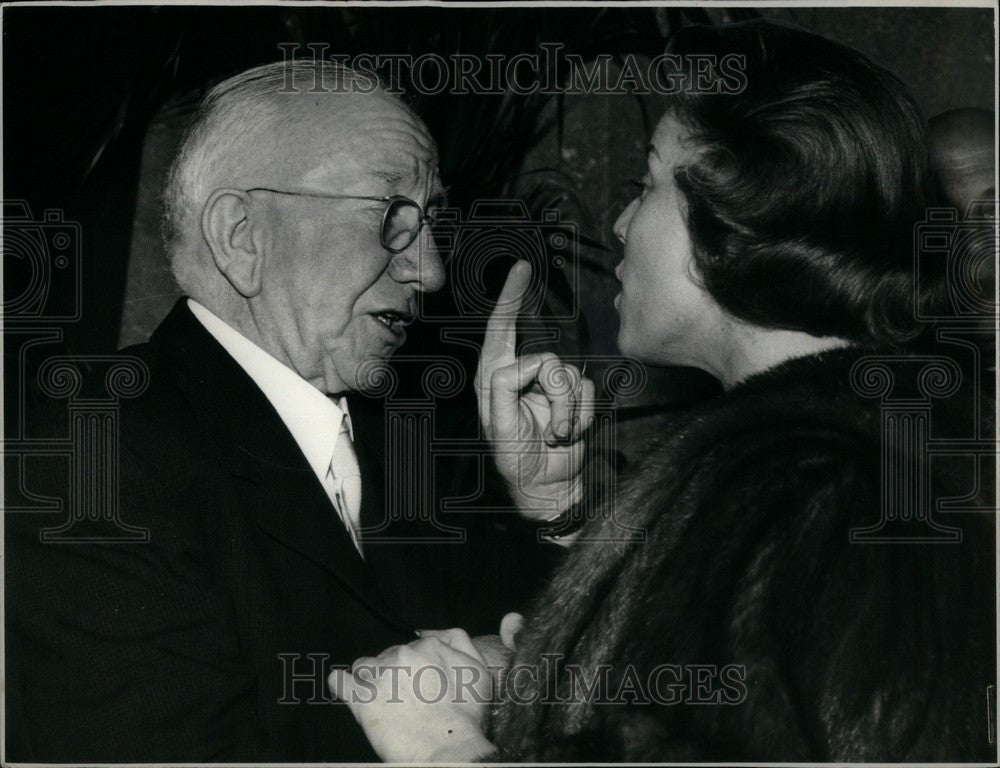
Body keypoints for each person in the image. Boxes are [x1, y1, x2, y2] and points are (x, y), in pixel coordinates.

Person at [328, 21, 997, 763]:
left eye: (646, 184)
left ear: (735, 217)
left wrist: (438, 743)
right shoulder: (839, 457)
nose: (617, 224)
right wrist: (563, 518)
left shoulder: (823, 483)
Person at [4, 60, 595, 762]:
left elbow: (569, 704)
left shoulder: (415, 440)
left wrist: (545, 502)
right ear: (242, 236)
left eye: (432, 220)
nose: (431, 270)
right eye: (392, 217)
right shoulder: (95, 456)